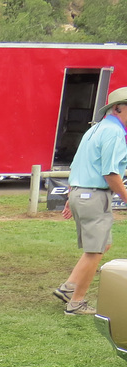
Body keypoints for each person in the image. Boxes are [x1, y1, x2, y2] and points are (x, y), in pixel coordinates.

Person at [53, 87, 127, 315]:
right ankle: (76, 303)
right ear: (118, 108)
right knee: (96, 251)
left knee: (101, 245)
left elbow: (77, 164)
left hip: (80, 193)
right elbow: (110, 173)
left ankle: (68, 288)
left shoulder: (95, 129)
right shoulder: (114, 133)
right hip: (94, 195)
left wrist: (71, 195)